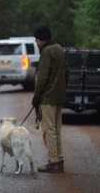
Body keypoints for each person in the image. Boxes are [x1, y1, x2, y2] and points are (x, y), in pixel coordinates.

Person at [32, 26, 66, 173]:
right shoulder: (59, 48)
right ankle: (59, 160)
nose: (35, 41)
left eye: (37, 39)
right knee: (56, 130)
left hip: (48, 97)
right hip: (59, 95)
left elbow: (42, 77)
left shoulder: (46, 51)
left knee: (48, 130)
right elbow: (67, 71)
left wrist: (36, 97)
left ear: (42, 39)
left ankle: (53, 162)